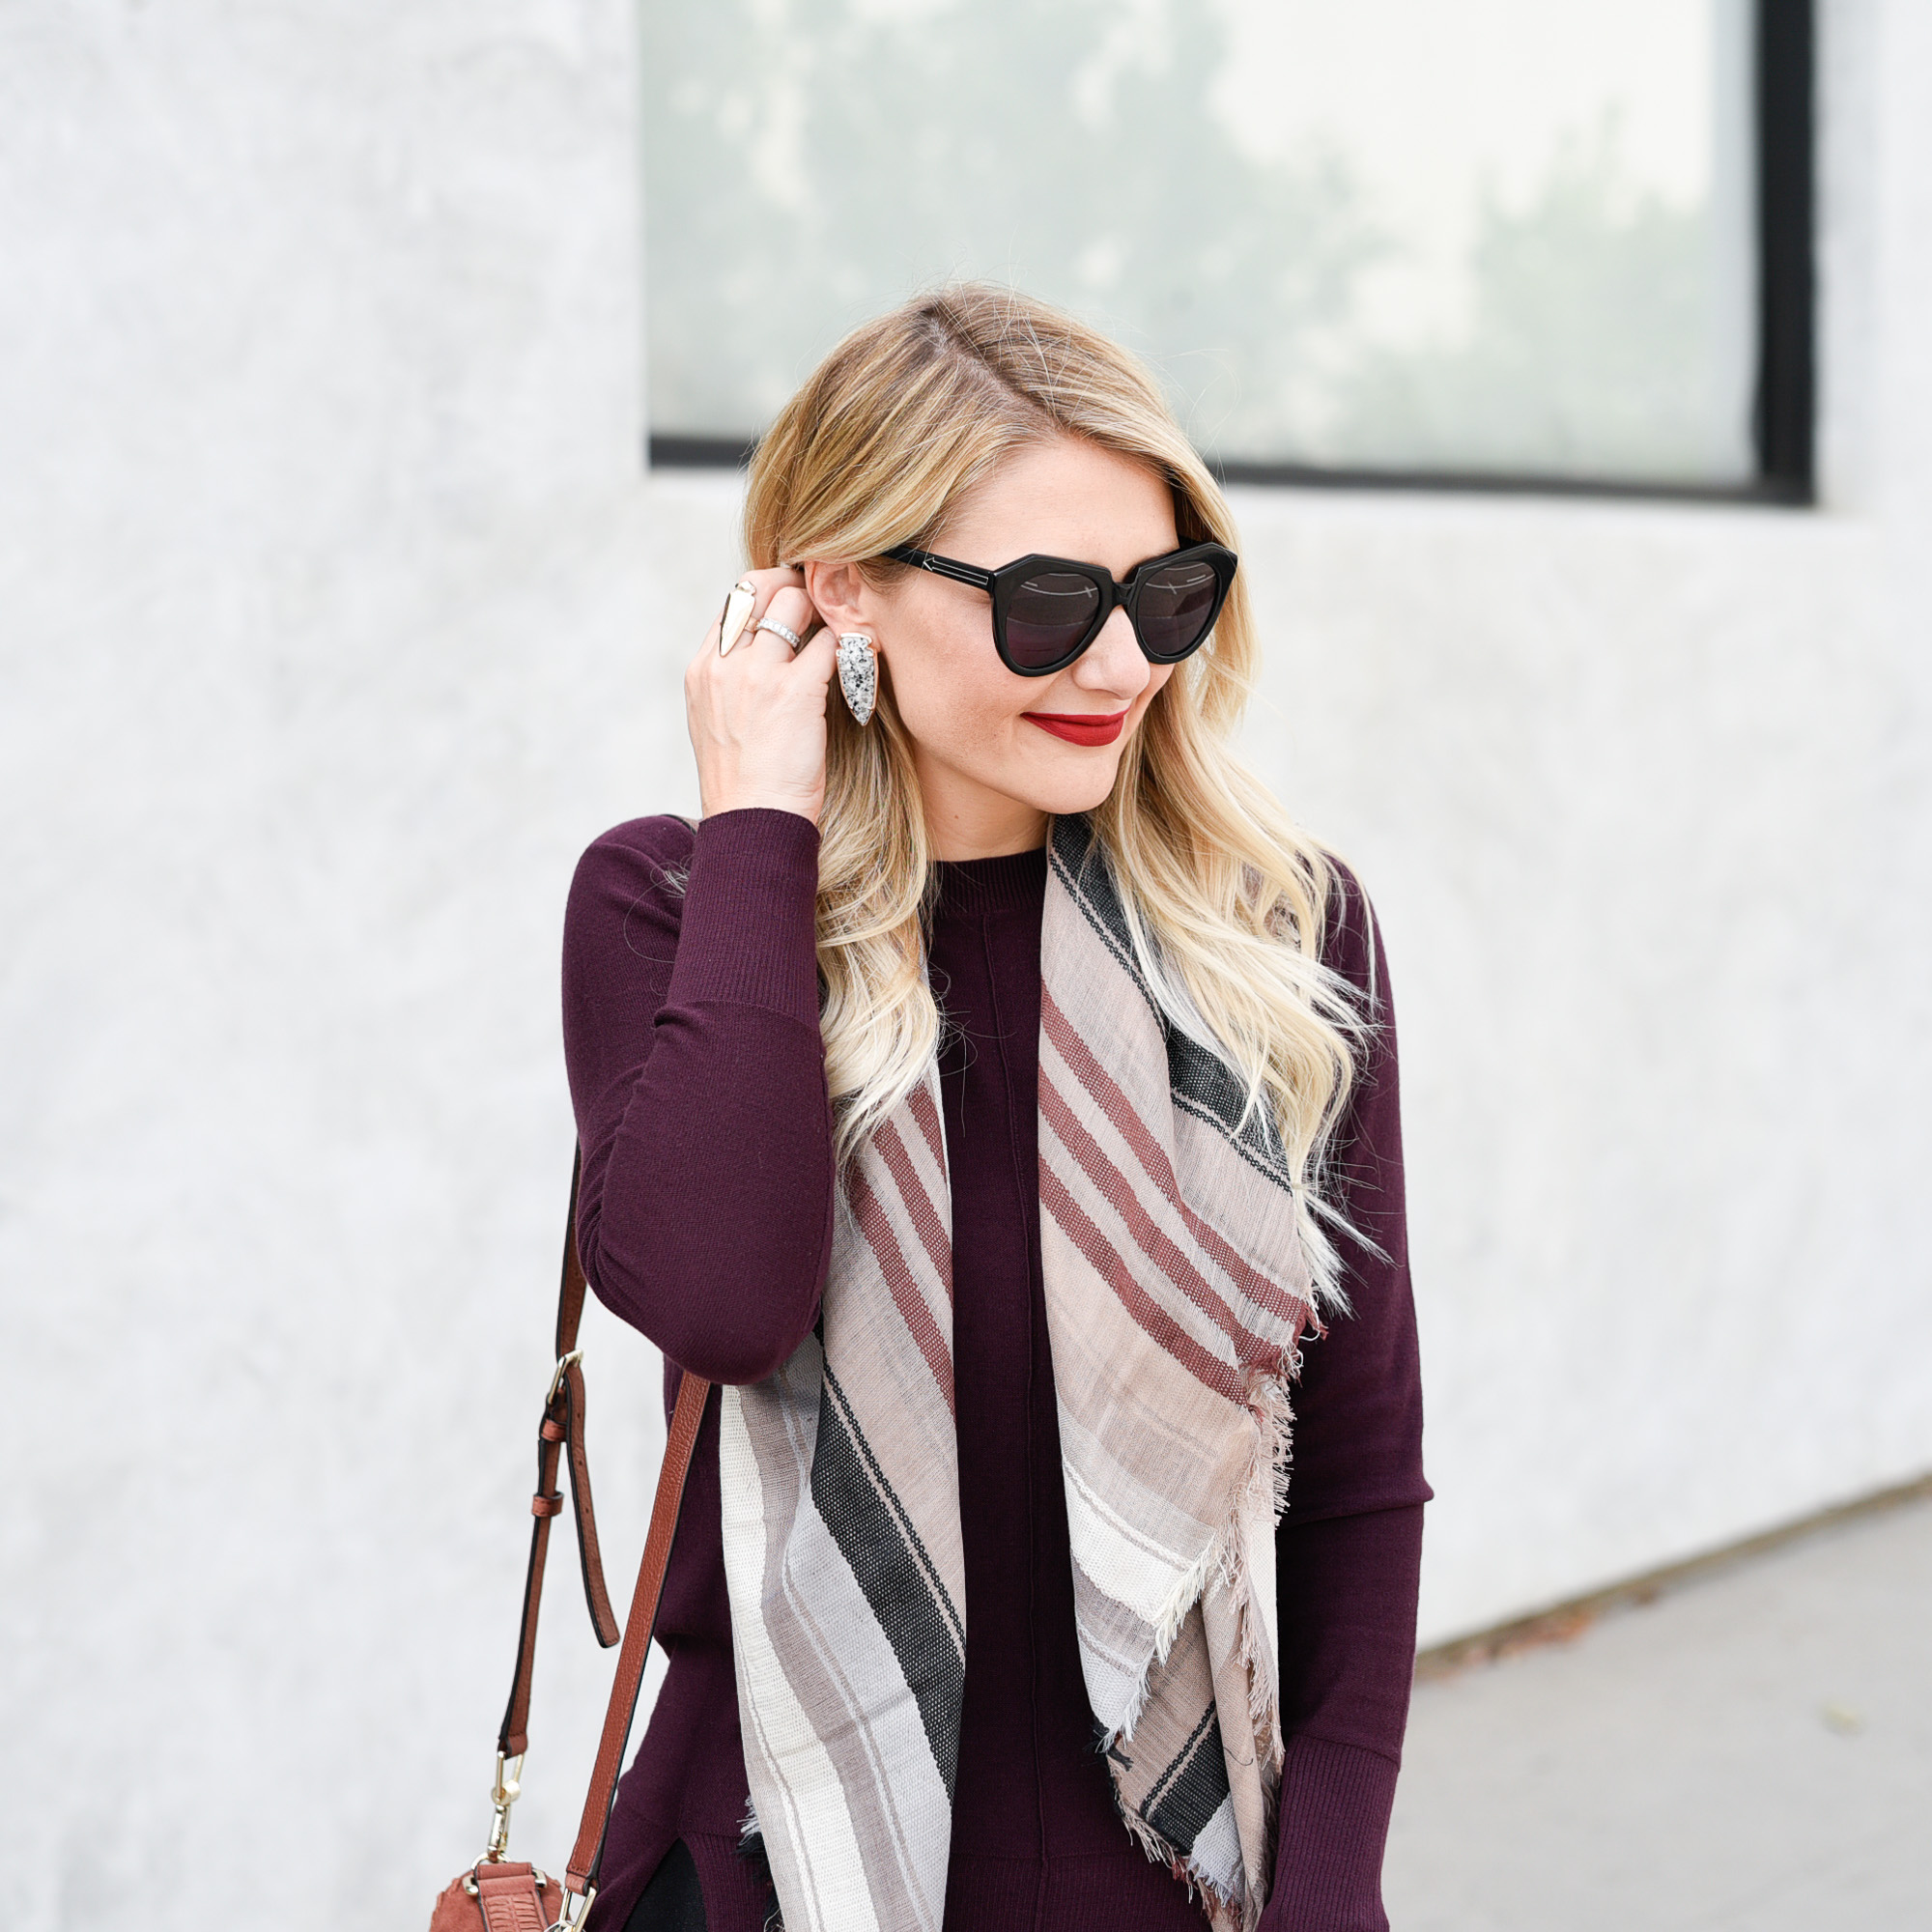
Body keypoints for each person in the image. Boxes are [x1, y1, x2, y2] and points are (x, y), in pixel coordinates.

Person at [562, 285, 1427, 1932]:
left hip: (1183, 1884)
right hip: (770, 1874)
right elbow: (727, 1301)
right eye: (1044, 602)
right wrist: (763, 823)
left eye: (1167, 593)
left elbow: (1363, 1471)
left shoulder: (1277, 939)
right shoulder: (675, 909)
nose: (1122, 662)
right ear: (841, 590)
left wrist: (1331, 1893)